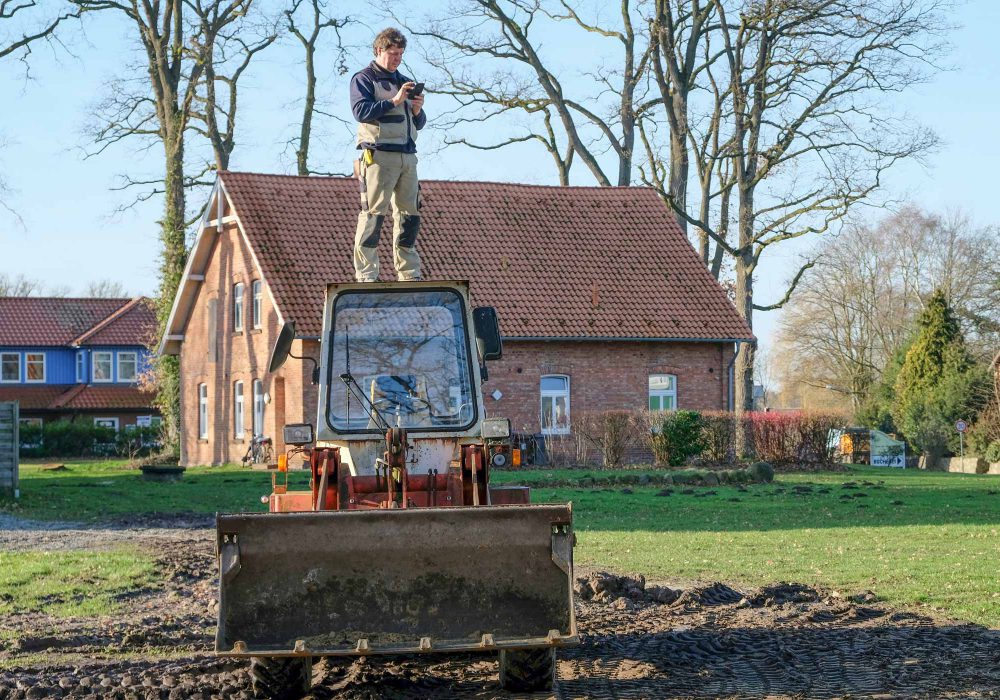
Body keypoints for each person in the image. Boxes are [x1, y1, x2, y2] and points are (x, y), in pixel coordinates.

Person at [349, 27, 426, 282]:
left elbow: (419, 123)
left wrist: (416, 110)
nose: (397, 59)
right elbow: (360, 111)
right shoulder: (364, 78)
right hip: (379, 155)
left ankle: (409, 273)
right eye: (393, 53)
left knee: (409, 217)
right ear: (380, 50)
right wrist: (394, 100)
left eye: (401, 54)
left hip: (407, 156)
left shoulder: (404, 80)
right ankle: (367, 275)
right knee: (373, 216)